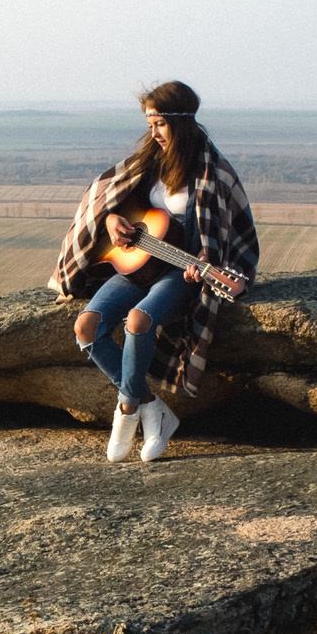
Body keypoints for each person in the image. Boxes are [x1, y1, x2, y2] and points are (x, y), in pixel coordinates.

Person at [49, 81, 261, 462]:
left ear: (180, 123)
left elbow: (226, 235)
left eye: (159, 124)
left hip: (178, 273)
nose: (153, 133)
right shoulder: (148, 162)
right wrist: (113, 219)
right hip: (138, 264)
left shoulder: (213, 173)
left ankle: (127, 411)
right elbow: (111, 200)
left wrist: (203, 264)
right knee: (86, 327)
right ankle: (153, 408)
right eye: (150, 123)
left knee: (137, 320)